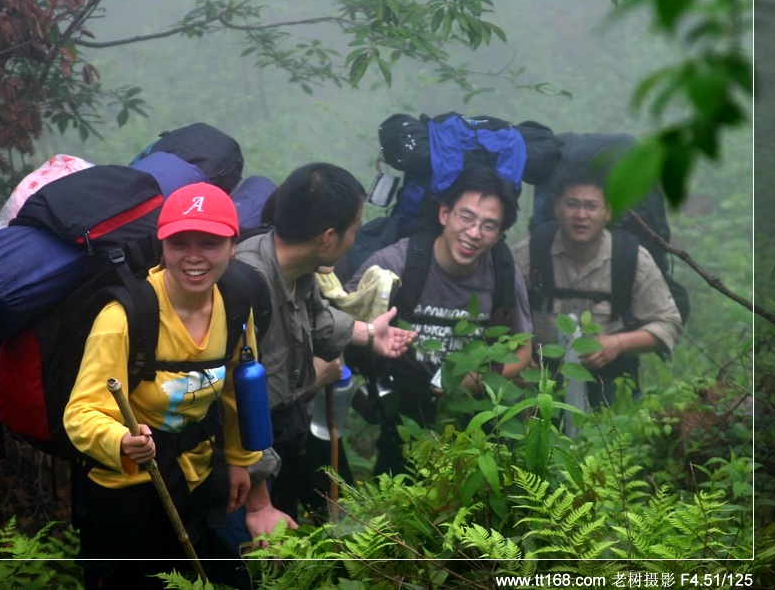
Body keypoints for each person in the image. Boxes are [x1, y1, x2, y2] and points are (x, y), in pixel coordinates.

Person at [64, 183, 295, 589]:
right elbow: (81, 412)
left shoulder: (237, 300)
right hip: (127, 490)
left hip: (196, 478)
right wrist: (120, 440)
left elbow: (237, 390)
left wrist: (242, 462)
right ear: (162, 246)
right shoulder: (125, 317)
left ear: (232, 246)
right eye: (180, 243)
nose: (194, 256)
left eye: (209, 243)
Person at [231, 162, 417, 520]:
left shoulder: (295, 269)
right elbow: (234, 405)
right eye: (354, 230)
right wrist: (259, 503)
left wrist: (368, 334)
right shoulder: (248, 288)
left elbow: (315, 319)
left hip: (279, 444)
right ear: (328, 238)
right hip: (243, 472)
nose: (354, 240)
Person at [346, 167, 534, 477]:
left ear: (500, 234)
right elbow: (337, 326)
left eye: (489, 226)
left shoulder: (503, 274)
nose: (474, 233)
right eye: (466, 218)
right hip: (405, 406)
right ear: (444, 213)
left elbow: (523, 350)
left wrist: (479, 378)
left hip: (473, 411)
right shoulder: (395, 264)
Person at [511, 162, 683, 410]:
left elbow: (669, 323)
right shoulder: (529, 256)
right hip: (540, 379)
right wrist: (519, 358)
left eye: (591, 206)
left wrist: (618, 343)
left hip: (610, 379)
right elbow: (498, 318)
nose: (581, 215)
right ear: (557, 207)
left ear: (608, 212)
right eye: (572, 204)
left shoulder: (631, 259)